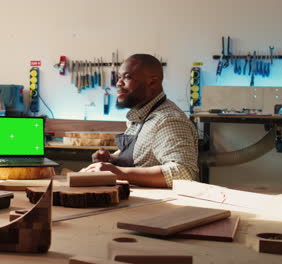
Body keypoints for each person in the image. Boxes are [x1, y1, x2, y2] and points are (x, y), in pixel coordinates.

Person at [81, 54, 198, 188]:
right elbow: (144, 154)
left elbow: (183, 172)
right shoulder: (140, 116)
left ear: (152, 82)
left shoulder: (168, 121)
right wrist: (112, 159)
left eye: (127, 77)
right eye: (120, 77)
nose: (119, 83)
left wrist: (118, 173)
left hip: (158, 206)